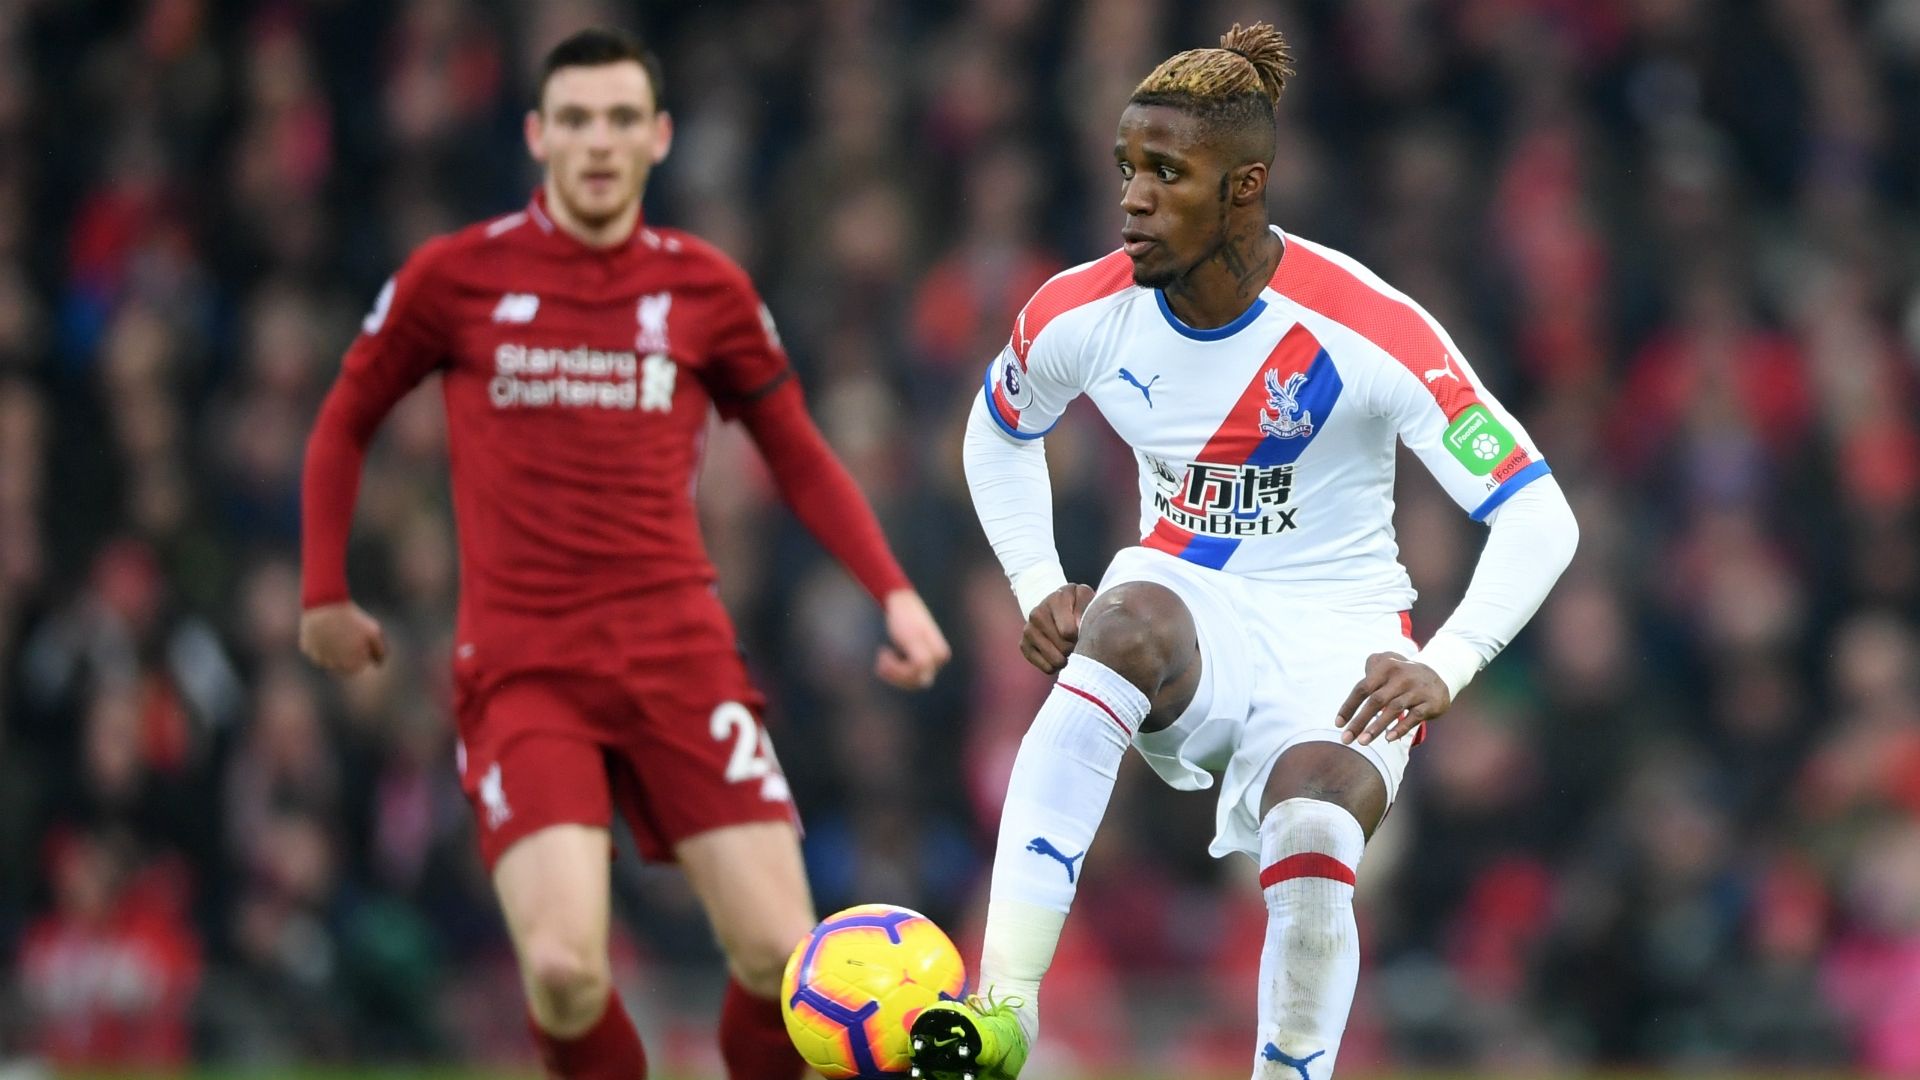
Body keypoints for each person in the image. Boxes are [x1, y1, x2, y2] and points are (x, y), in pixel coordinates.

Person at [911, 22, 1577, 1080]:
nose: (1133, 197)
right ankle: (1004, 1009)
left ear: (1245, 188)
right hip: (1192, 600)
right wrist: (1038, 581)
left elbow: (1541, 515)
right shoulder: (1082, 312)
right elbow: (996, 430)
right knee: (1121, 622)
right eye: (1127, 167)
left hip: (1339, 638)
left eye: (1167, 175)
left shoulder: (1370, 329)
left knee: (1315, 826)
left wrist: (1446, 665)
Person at [298, 27, 951, 1080]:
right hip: (524, 670)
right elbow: (344, 417)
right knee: (563, 970)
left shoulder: (707, 290)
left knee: (786, 964)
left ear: (658, 137)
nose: (596, 143)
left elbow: (798, 456)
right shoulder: (456, 277)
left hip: (678, 655)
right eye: (575, 120)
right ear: (536, 135)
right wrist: (324, 590)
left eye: (618, 121)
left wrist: (894, 592)